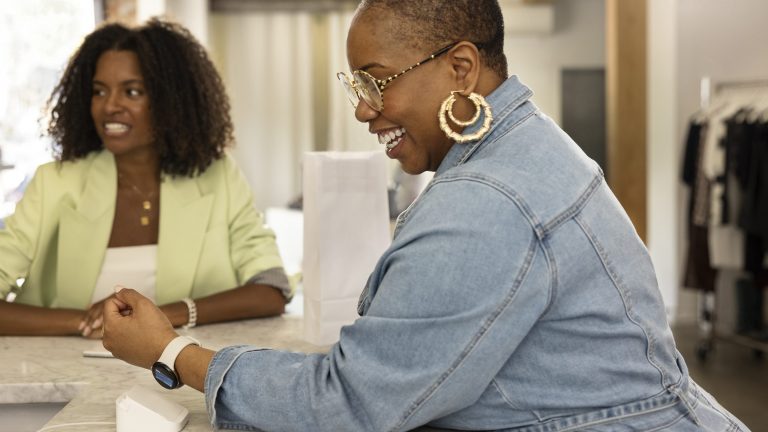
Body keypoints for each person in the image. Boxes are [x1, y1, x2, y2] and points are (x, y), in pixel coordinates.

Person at [102, 1, 751, 431]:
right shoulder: (522, 144)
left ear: (460, 68)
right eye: (355, 86)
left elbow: (349, 403)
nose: (364, 110)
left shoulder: (487, 201)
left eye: (376, 81)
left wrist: (171, 350)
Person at [0, 19, 291, 338]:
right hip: (65, 368)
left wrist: (162, 315)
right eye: (99, 91)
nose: (110, 105)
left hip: (185, 365)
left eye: (132, 91)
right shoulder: (54, 182)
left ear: (172, 101)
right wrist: (85, 321)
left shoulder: (218, 176)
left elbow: (271, 289)